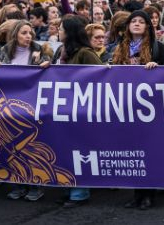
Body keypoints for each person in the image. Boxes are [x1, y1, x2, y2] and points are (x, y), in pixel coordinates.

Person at [112, 10, 164, 210]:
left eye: (141, 21)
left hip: (151, 108)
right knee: (133, 151)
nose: (137, 24)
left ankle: (149, 194)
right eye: (133, 21)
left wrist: (158, 66)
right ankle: (137, 194)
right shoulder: (121, 47)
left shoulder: (157, 47)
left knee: (149, 151)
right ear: (127, 26)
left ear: (148, 26)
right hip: (128, 107)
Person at [0, 20, 51, 202]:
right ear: (16, 34)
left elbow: (47, 70)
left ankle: (35, 185)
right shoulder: (5, 51)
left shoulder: (38, 50)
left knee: (30, 146)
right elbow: (2, 77)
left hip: (31, 105)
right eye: (24, 33)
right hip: (11, 105)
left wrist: (43, 64)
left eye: (30, 33)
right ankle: (19, 184)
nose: (29, 36)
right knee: (11, 146)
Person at [56, 16, 103, 208]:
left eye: (61, 28)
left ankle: (79, 192)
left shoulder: (85, 53)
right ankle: (67, 187)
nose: (58, 31)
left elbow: (101, 76)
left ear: (69, 32)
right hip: (65, 109)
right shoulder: (62, 51)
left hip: (82, 110)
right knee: (65, 149)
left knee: (79, 150)